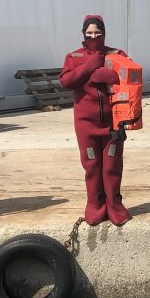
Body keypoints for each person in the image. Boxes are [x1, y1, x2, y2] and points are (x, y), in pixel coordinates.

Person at [60, 15, 132, 226]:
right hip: (86, 123)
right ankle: (95, 203)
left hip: (112, 122)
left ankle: (114, 204)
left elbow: (129, 77)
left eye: (97, 33)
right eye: (89, 33)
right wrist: (88, 67)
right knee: (91, 164)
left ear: (104, 33)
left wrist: (109, 76)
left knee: (112, 163)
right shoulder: (74, 57)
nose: (93, 37)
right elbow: (66, 81)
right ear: (83, 34)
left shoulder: (117, 54)